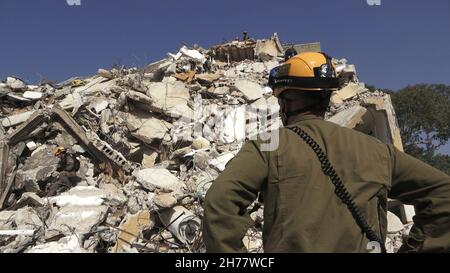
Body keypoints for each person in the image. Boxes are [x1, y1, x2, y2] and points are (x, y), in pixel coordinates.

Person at [202, 52, 450, 253]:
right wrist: (415, 246)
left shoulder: (268, 143)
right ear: (325, 99)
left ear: (286, 102)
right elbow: (444, 193)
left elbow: (220, 202)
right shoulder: (378, 151)